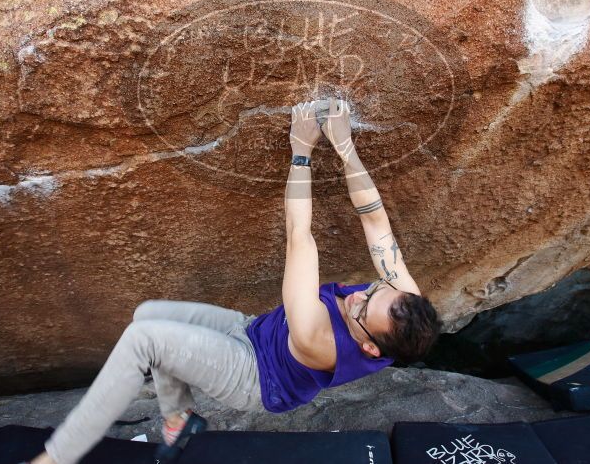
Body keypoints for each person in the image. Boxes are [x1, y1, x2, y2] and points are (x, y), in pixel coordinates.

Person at [28, 98, 441, 464]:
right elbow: (374, 220)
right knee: (146, 315)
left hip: (254, 376)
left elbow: (300, 234)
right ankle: (178, 417)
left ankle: (54, 458)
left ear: (369, 345)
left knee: (144, 340)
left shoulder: (319, 337)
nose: (360, 295)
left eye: (364, 306)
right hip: (254, 330)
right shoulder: (402, 305)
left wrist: (301, 152)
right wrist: (345, 145)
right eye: (373, 288)